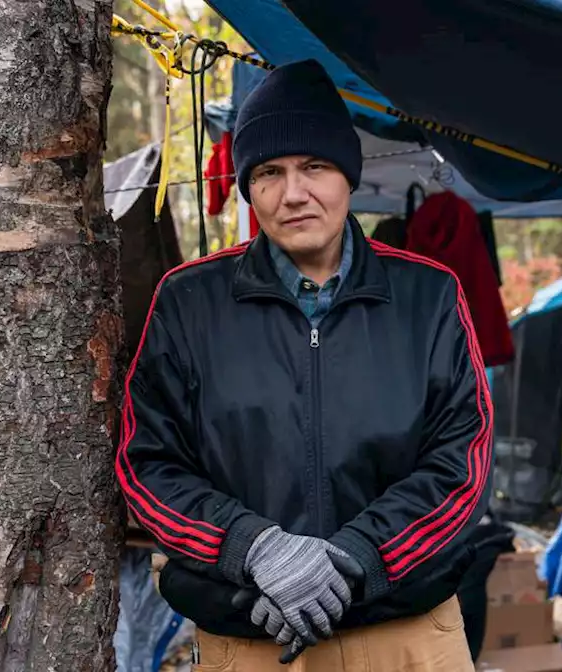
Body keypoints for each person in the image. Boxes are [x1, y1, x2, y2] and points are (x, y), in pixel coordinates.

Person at [116, 59, 492, 671]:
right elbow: (147, 464)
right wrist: (256, 549)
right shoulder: (189, 301)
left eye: (314, 166)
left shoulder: (429, 295)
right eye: (269, 172)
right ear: (248, 187)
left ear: (347, 176)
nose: (294, 193)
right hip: (252, 640)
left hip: (408, 635)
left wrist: (352, 559)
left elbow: (463, 464)